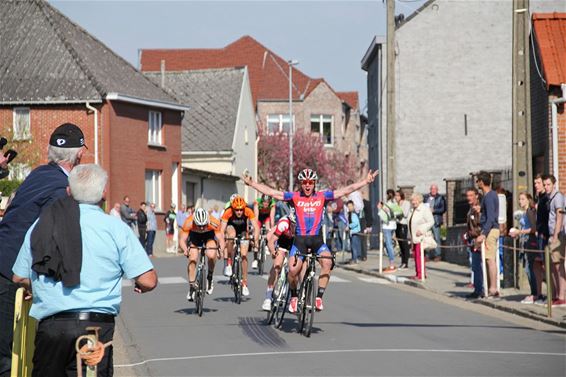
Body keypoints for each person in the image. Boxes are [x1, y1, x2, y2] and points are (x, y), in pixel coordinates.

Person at [11, 164, 157, 377]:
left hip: (52, 328)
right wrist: (139, 285)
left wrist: (40, 287)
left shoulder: (41, 225)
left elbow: (19, 275)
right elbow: (148, 280)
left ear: (68, 191)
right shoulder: (115, 228)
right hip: (94, 327)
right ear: (104, 192)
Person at [0, 123, 86, 377]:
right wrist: (35, 281)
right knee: (9, 356)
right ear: (79, 155)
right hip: (10, 273)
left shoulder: (38, 174)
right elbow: (46, 239)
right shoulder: (62, 189)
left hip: (4, 260)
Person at [243, 168, 378, 312]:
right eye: (304, 182)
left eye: (310, 182)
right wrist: (252, 184)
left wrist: (365, 181)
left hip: (317, 241)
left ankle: (318, 298)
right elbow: (272, 192)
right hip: (300, 242)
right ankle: (294, 296)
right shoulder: (294, 197)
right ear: (301, 184)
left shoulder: (322, 196)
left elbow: (346, 190)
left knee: (328, 262)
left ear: (314, 183)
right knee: (292, 270)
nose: (307, 185)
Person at [180, 208, 225, 301]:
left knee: (212, 255)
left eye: (203, 225)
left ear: (207, 221)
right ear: (194, 221)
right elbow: (182, 240)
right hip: (194, 237)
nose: (201, 228)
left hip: (208, 236)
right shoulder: (188, 222)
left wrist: (221, 250)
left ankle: (210, 276)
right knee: (193, 258)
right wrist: (185, 249)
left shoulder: (214, 222)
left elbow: (221, 239)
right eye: (199, 225)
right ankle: (192, 286)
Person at [219, 196, 259, 296]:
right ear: (233, 208)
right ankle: (229, 262)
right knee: (231, 236)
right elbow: (222, 230)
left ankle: (244, 283)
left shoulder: (248, 211)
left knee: (244, 255)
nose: (239, 212)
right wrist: (222, 242)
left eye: (241, 210)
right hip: (231, 228)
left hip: (242, 231)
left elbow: (256, 227)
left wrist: (256, 240)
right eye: (237, 210)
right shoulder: (228, 212)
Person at [262, 210, 297, 311]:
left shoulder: (303, 225)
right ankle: (268, 297)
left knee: (296, 267)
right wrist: (273, 251)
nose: (295, 227)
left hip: (295, 245)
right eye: (293, 224)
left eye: (296, 224)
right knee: (277, 266)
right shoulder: (283, 223)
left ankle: (293, 294)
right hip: (282, 243)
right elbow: (271, 241)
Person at [509, 192, 541, 304]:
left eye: (522, 199)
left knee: (530, 268)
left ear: (528, 200)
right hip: (525, 241)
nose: (520, 201)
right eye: (519, 199)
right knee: (528, 268)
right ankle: (534, 293)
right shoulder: (525, 212)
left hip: (531, 242)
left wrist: (519, 231)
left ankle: (535, 294)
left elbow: (533, 229)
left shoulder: (530, 212)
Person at [475, 171, 500, 298]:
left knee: (490, 259)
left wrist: (484, 233)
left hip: (490, 230)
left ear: (481, 182)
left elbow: (491, 217)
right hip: (490, 229)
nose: (477, 183)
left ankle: (493, 288)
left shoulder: (489, 196)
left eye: (477, 181)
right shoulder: (489, 196)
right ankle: (490, 286)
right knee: (488, 259)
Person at [543, 175, 565, 307]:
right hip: (551, 233)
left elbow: (559, 217)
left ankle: (562, 296)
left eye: (548, 185)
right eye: (545, 185)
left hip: (558, 234)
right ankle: (557, 294)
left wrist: (556, 235)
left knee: (558, 265)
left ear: (554, 184)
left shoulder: (557, 197)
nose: (546, 187)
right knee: (552, 265)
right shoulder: (549, 198)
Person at [408, 192, 435, 280]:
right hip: (414, 236)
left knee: (419, 255)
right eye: (412, 200)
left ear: (419, 200)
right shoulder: (413, 209)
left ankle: (421, 274)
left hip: (421, 237)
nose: (413, 202)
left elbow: (431, 221)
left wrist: (422, 230)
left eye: (415, 200)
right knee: (415, 255)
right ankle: (418, 273)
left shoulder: (424, 209)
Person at [463, 188, 484, 299]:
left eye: (471, 195)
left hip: (479, 240)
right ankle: (477, 289)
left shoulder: (478, 208)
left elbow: (481, 225)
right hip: (472, 240)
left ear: (476, 196)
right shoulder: (471, 209)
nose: (468, 198)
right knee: (475, 266)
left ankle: (482, 290)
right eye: (467, 196)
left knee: (479, 265)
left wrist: (472, 233)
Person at [534, 174, 549, 304]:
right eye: (535, 183)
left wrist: (544, 233)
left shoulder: (546, 199)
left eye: (538, 183)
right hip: (539, 234)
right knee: (538, 264)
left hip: (544, 234)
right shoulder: (538, 198)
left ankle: (550, 295)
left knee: (546, 265)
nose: (536, 186)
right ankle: (540, 293)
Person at [377, 189, 399, 272]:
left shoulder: (387, 205)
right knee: (390, 244)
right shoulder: (395, 204)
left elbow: (384, 217)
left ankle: (392, 264)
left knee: (388, 245)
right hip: (393, 225)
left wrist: (379, 209)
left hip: (387, 226)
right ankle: (391, 263)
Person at [423, 184, 446, 261]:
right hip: (427, 220)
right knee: (427, 237)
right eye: (432, 189)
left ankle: (438, 255)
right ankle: (427, 254)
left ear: (437, 190)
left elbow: (443, 209)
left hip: (435, 220)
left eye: (435, 189)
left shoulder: (440, 197)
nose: (433, 190)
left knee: (436, 237)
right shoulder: (426, 197)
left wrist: (434, 210)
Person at [253, 194, 276, 269]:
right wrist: (256, 229)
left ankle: (266, 245)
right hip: (259, 217)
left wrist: (271, 231)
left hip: (267, 218)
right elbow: (256, 217)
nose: (265, 204)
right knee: (256, 235)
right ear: (261, 201)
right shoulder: (257, 202)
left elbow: (272, 218)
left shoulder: (273, 204)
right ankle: (255, 259)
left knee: (268, 227)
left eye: (267, 202)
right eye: (264, 202)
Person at [395, 190, 411, 269]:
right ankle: (402, 261)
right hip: (397, 224)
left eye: (398, 195)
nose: (396, 197)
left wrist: (397, 211)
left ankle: (406, 262)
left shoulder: (406, 203)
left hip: (403, 224)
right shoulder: (395, 204)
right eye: (395, 196)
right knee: (400, 244)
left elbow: (405, 213)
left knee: (404, 243)